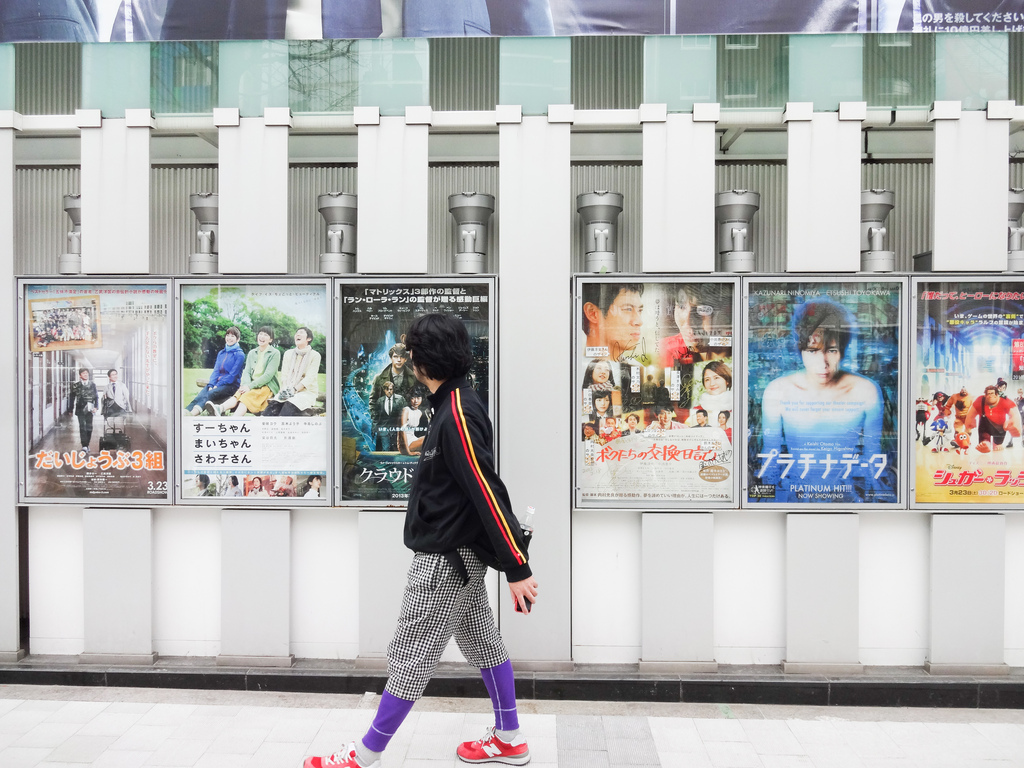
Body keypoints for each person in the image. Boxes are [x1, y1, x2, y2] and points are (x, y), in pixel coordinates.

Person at [304, 313, 537, 768]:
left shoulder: (458, 412)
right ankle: (509, 736)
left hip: (445, 563)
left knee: (409, 654)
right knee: (484, 643)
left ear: (421, 360)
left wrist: (517, 567)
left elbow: (485, 488)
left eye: (411, 351)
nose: (408, 358)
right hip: (460, 557)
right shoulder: (450, 404)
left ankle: (365, 754)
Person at [758, 299, 884, 501]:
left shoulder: (865, 390)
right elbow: (770, 456)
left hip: (845, 495)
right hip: (796, 495)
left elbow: (873, 458)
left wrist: (877, 500)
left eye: (831, 350)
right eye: (812, 351)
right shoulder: (778, 390)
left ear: (843, 349)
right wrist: (766, 500)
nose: (823, 363)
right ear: (800, 350)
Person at [659, 283, 733, 409]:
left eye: (700, 311)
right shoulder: (664, 349)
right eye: (681, 307)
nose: (687, 323)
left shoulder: (731, 349)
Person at [207, 326, 281, 417]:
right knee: (240, 393)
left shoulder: (274, 353)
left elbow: (268, 375)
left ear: (270, 339)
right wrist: (246, 385)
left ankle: (233, 421)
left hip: (266, 387)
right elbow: (247, 372)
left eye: (265, 335)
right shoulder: (252, 353)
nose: (262, 337)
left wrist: (249, 387)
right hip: (251, 385)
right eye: (260, 334)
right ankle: (220, 408)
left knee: (245, 398)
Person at [263, 327, 322, 417]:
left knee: (287, 408)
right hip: (287, 390)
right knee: (271, 409)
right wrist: (286, 390)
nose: (297, 334)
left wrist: (294, 390)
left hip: (306, 392)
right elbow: (284, 375)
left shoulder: (315, 355)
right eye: (296, 333)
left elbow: (310, 378)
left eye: (301, 333)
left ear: (308, 339)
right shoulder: (288, 353)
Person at [185, 327, 245, 416]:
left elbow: (232, 376)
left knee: (210, 393)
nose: (229, 338)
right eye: (227, 335)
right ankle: (186, 411)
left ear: (238, 339)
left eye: (232, 336)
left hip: (231, 386)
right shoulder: (221, 353)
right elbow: (216, 371)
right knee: (202, 393)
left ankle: (193, 414)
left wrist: (217, 385)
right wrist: (211, 384)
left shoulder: (240, 355)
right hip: (217, 383)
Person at [966, 384, 1023, 453]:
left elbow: (1015, 413)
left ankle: (997, 443)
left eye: (992, 393)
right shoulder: (980, 400)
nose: (990, 395)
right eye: (988, 394)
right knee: (984, 437)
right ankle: (986, 443)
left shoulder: (1005, 401)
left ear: (997, 394)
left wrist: (1015, 422)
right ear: (985, 395)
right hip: (985, 427)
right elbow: (971, 413)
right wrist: (970, 421)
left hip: (1000, 428)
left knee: (997, 445)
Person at [692, 360, 733, 427]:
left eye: (716, 378)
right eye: (707, 379)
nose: (712, 383)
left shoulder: (738, 406)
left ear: (727, 381)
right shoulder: (697, 410)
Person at [372, 381, 407, 451]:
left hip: (396, 429)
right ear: (384, 390)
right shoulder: (380, 401)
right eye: (387, 389)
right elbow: (376, 417)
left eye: (391, 389)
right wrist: (373, 429)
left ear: (393, 390)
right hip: (383, 429)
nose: (389, 391)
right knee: (385, 449)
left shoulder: (400, 399)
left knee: (396, 449)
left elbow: (405, 413)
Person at [69, 367, 98, 454]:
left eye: (87, 373)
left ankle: (87, 444)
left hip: (90, 408)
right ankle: (84, 446)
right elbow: (72, 397)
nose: (85, 374)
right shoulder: (75, 385)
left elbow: (96, 397)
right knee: (82, 427)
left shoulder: (92, 384)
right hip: (80, 408)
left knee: (89, 427)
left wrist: (96, 407)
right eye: (84, 373)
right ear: (80, 375)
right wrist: (70, 409)